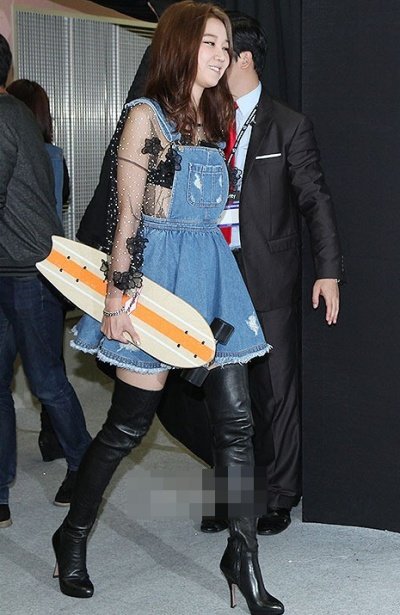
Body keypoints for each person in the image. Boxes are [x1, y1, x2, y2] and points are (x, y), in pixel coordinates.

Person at [51, 3, 284, 613]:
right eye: (210, 43)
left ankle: (243, 557)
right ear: (181, 45)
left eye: (226, 45)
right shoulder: (144, 117)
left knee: (236, 424)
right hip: (154, 285)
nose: (221, 55)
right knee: (128, 426)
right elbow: (127, 217)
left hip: (212, 279)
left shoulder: (215, 116)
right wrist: (116, 300)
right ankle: (72, 533)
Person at [206, 11, 343, 536]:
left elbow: (316, 202)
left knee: (276, 387)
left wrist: (328, 270)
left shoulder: (288, 124)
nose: (213, 60)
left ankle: (282, 494)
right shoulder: (203, 121)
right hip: (215, 271)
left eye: (221, 50)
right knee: (222, 385)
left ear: (243, 58)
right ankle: (230, 495)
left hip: (267, 272)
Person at [0, 35, 92, 529]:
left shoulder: (4, 115)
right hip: (10, 267)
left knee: (46, 380)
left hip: (28, 271)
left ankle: (84, 464)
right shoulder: (16, 114)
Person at [6, 78, 70, 464]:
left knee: (35, 367)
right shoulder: (55, 155)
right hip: (53, 264)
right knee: (51, 364)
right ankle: (54, 439)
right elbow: (61, 203)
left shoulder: (18, 153)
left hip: (19, 265)